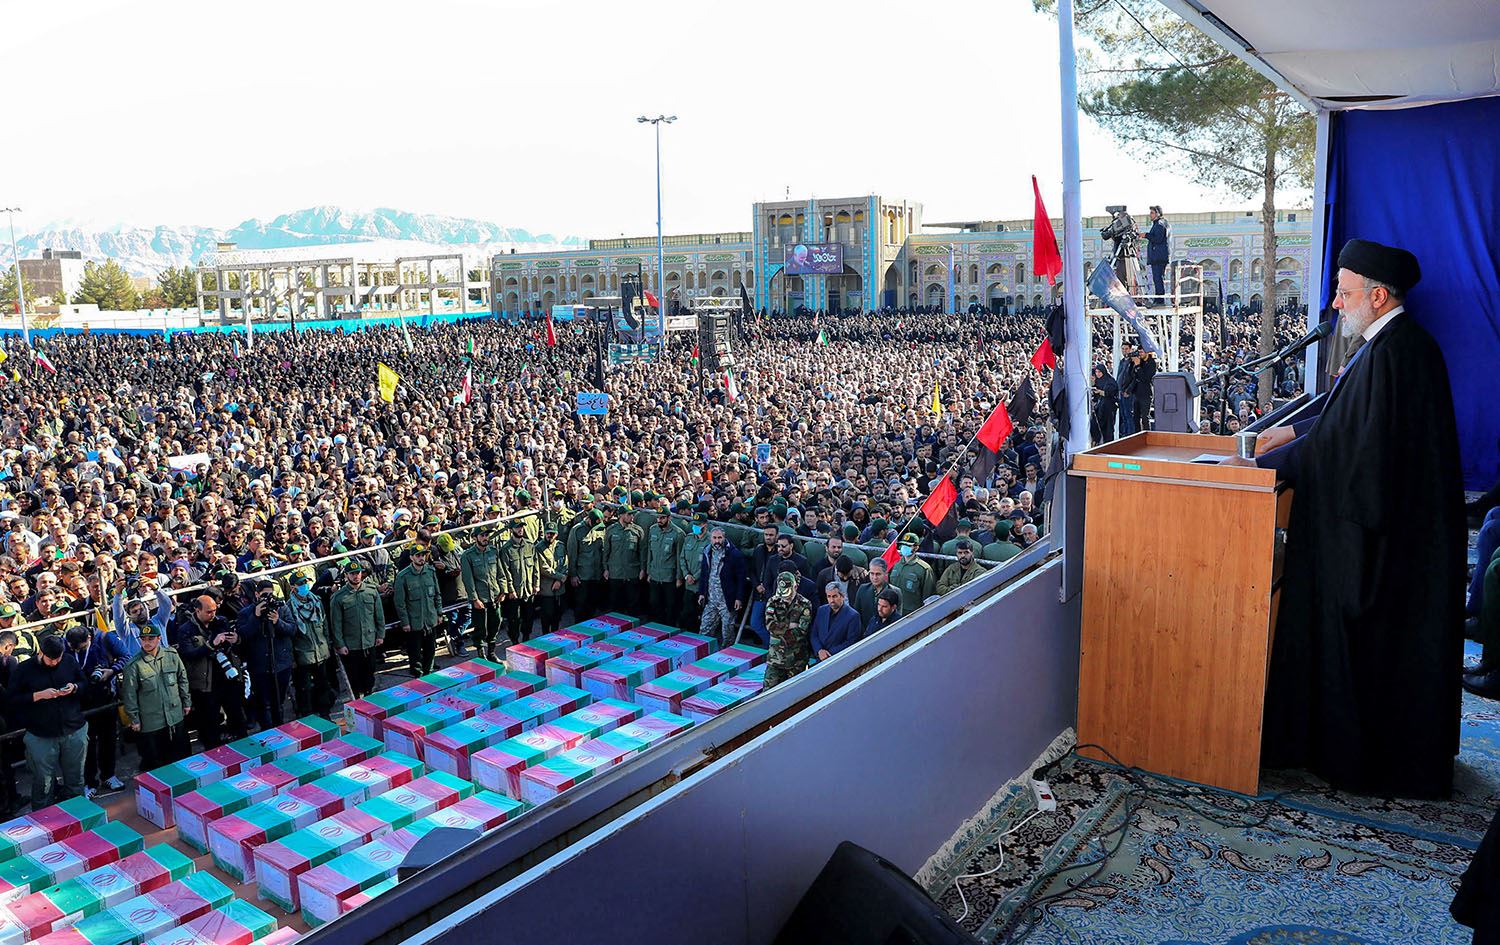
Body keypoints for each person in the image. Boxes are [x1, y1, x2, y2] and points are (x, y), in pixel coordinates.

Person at [1247, 239, 1464, 799]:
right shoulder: (1389, 346)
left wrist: (1261, 467)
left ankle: (1359, 759)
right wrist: (1290, 431)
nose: (1337, 304)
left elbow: (1343, 445)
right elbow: (1340, 415)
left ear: (1378, 295)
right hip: (1391, 531)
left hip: (1382, 544)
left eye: (1344, 293)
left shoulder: (1396, 353)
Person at [8, 635, 86, 810]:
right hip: (40, 734)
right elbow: (11, 700)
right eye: (51, 659)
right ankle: (44, 818)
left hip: (73, 729)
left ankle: (80, 814)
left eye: (58, 658)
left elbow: (84, 682)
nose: (55, 662)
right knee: (43, 783)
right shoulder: (23, 670)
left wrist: (74, 687)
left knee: (76, 779)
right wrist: (38, 696)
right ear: (41, 653)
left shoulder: (69, 661)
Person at [168, 593, 245, 750]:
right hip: (205, 684)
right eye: (209, 611)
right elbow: (189, 653)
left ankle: (243, 746)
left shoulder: (221, 621)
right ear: (197, 611)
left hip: (228, 678)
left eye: (215, 610)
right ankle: (213, 752)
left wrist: (236, 640)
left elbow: (236, 646)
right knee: (209, 724)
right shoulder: (186, 630)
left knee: (237, 716)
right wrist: (211, 644)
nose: (213, 614)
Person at [63, 625, 127, 796]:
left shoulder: (106, 639)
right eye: (73, 648)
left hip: (105, 698)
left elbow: (127, 656)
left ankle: (109, 775)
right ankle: (89, 782)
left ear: (89, 639)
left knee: (108, 739)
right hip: (80, 704)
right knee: (86, 744)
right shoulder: (65, 645)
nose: (77, 650)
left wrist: (112, 670)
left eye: (81, 647)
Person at [119, 624, 191, 772]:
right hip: (152, 722)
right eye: (143, 639)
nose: (147, 642)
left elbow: (182, 679)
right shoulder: (134, 665)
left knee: (182, 757)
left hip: (175, 716)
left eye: (150, 639)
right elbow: (129, 694)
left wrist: (186, 702)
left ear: (159, 639)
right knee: (156, 763)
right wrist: (134, 719)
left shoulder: (171, 656)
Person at [238, 579, 296, 729]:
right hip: (259, 667)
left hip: (281, 664)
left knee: (279, 701)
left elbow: (292, 629)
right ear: (257, 594)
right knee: (263, 703)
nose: (268, 598)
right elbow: (243, 635)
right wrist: (256, 617)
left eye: (271, 594)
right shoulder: (246, 613)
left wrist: (278, 622)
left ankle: (280, 727)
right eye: (265, 595)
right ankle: (266, 729)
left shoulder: (281, 608)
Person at [286, 572, 338, 720]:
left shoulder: (316, 601)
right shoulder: (289, 607)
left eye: (305, 582)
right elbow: (290, 635)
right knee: (305, 689)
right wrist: (293, 658)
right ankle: (307, 717)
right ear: (293, 587)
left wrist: (328, 643)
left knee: (323, 685)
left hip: (321, 650)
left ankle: (325, 714)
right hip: (303, 653)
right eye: (300, 584)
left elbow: (324, 623)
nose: (304, 586)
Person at [330, 560, 384, 699]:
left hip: (369, 641)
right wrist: (340, 644)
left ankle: (369, 697)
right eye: (352, 574)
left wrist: (380, 635)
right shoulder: (339, 597)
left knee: (369, 674)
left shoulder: (371, 591)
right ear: (346, 575)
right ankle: (357, 701)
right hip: (351, 645)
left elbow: (379, 615)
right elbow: (336, 624)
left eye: (358, 573)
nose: (356, 576)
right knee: (354, 677)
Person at [394, 543, 443, 676]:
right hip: (414, 622)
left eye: (423, 555)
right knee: (415, 654)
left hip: (430, 619)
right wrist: (405, 622)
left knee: (430, 650)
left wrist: (439, 613)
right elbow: (400, 602)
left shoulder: (430, 572)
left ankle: (429, 674)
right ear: (411, 557)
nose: (421, 558)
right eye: (418, 555)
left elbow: (437, 595)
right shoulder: (403, 576)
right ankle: (418, 677)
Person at [697, 526, 746, 649]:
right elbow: (704, 574)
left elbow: (741, 579)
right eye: (714, 538)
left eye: (719, 538)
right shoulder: (707, 551)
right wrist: (702, 593)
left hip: (727, 601)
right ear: (710, 538)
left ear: (724, 538)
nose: (717, 541)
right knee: (704, 629)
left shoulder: (734, 554)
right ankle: (703, 653)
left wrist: (739, 598)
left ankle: (727, 655)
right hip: (711, 599)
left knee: (727, 633)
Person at [762, 571, 812, 690]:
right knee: (767, 691)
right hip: (775, 658)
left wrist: (779, 629)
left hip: (796, 660)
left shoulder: (805, 604)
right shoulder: (773, 602)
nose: (785, 598)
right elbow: (770, 626)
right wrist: (789, 626)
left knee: (794, 692)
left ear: (795, 587)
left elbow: (801, 631)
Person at [461, 527, 503, 661]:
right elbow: (468, 580)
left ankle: (491, 652)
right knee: (480, 628)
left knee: (495, 624)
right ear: (475, 537)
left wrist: (503, 591)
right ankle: (481, 653)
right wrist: (474, 599)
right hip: (480, 598)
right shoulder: (468, 555)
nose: (485, 538)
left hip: (494, 596)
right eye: (482, 535)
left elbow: (500, 573)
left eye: (487, 535)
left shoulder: (493, 551)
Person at [497, 526, 539, 647]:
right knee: (514, 619)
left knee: (528, 616)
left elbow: (535, 566)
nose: (520, 530)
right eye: (517, 528)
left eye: (521, 527)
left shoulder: (529, 546)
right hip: (514, 591)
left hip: (528, 589)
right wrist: (510, 590)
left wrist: (536, 584)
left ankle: (526, 637)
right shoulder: (506, 549)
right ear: (511, 530)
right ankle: (514, 641)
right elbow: (505, 571)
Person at [643, 509, 683, 627]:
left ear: (669, 518)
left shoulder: (678, 534)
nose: (659, 520)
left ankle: (670, 628)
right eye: (658, 518)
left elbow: (679, 557)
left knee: (670, 605)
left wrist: (679, 577)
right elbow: (650, 552)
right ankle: (657, 628)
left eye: (662, 518)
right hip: (655, 574)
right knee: (654, 603)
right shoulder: (653, 529)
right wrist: (649, 572)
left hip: (669, 576)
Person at [603, 506, 644, 617]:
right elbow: (606, 551)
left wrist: (642, 569)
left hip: (632, 572)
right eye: (628, 514)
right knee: (616, 605)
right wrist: (605, 569)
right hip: (615, 573)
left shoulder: (637, 530)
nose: (632, 517)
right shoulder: (611, 530)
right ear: (621, 515)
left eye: (632, 514)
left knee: (633, 604)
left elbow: (642, 552)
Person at [809, 583, 862, 660]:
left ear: (842, 596)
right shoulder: (821, 610)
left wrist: (828, 653)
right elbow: (814, 634)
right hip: (819, 658)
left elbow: (851, 642)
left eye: (834, 596)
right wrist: (819, 650)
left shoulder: (853, 616)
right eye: (829, 596)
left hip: (839, 659)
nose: (831, 600)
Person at [888, 533, 936, 617]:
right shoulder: (895, 564)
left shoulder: (924, 569)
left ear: (916, 547)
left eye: (908, 545)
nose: (904, 547)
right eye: (903, 544)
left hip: (912, 614)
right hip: (893, 612)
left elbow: (928, 596)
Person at [535, 524, 568, 637]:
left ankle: (555, 636)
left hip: (559, 587)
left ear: (556, 534)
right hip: (547, 589)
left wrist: (560, 580)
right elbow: (543, 568)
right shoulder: (539, 548)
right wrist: (559, 577)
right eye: (548, 533)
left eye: (552, 533)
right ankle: (545, 637)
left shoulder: (560, 546)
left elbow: (565, 564)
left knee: (557, 615)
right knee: (546, 615)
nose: (550, 535)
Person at [1146, 205, 1170, 306]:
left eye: (1152, 213)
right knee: (1157, 279)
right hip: (1158, 256)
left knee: (1158, 278)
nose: (1150, 215)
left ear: (1158, 214)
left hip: (1158, 257)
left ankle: (1160, 300)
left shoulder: (1160, 224)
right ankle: (1158, 299)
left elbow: (1158, 239)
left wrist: (1146, 235)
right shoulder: (1159, 224)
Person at [1091, 364, 1119, 445]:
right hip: (1100, 408)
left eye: (1099, 372)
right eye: (1096, 372)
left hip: (1109, 407)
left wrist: (1100, 392)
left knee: (1109, 428)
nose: (1098, 374)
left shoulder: (1110, 381)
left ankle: (1109, 445)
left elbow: (1112, 392)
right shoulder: (1098, 381)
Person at [1116, 341, 1138, 438]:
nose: (1124, 351)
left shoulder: (1132, 362)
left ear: (1130, 349)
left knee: (1128, 415)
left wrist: (1128, 390)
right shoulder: (1122, 361)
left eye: (1126, 349)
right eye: (1123, 349)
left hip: (1128, 392)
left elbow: (1134, 378)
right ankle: (1125, 435)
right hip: (1120, 391)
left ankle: (1130, 436)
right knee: (1123, 415)